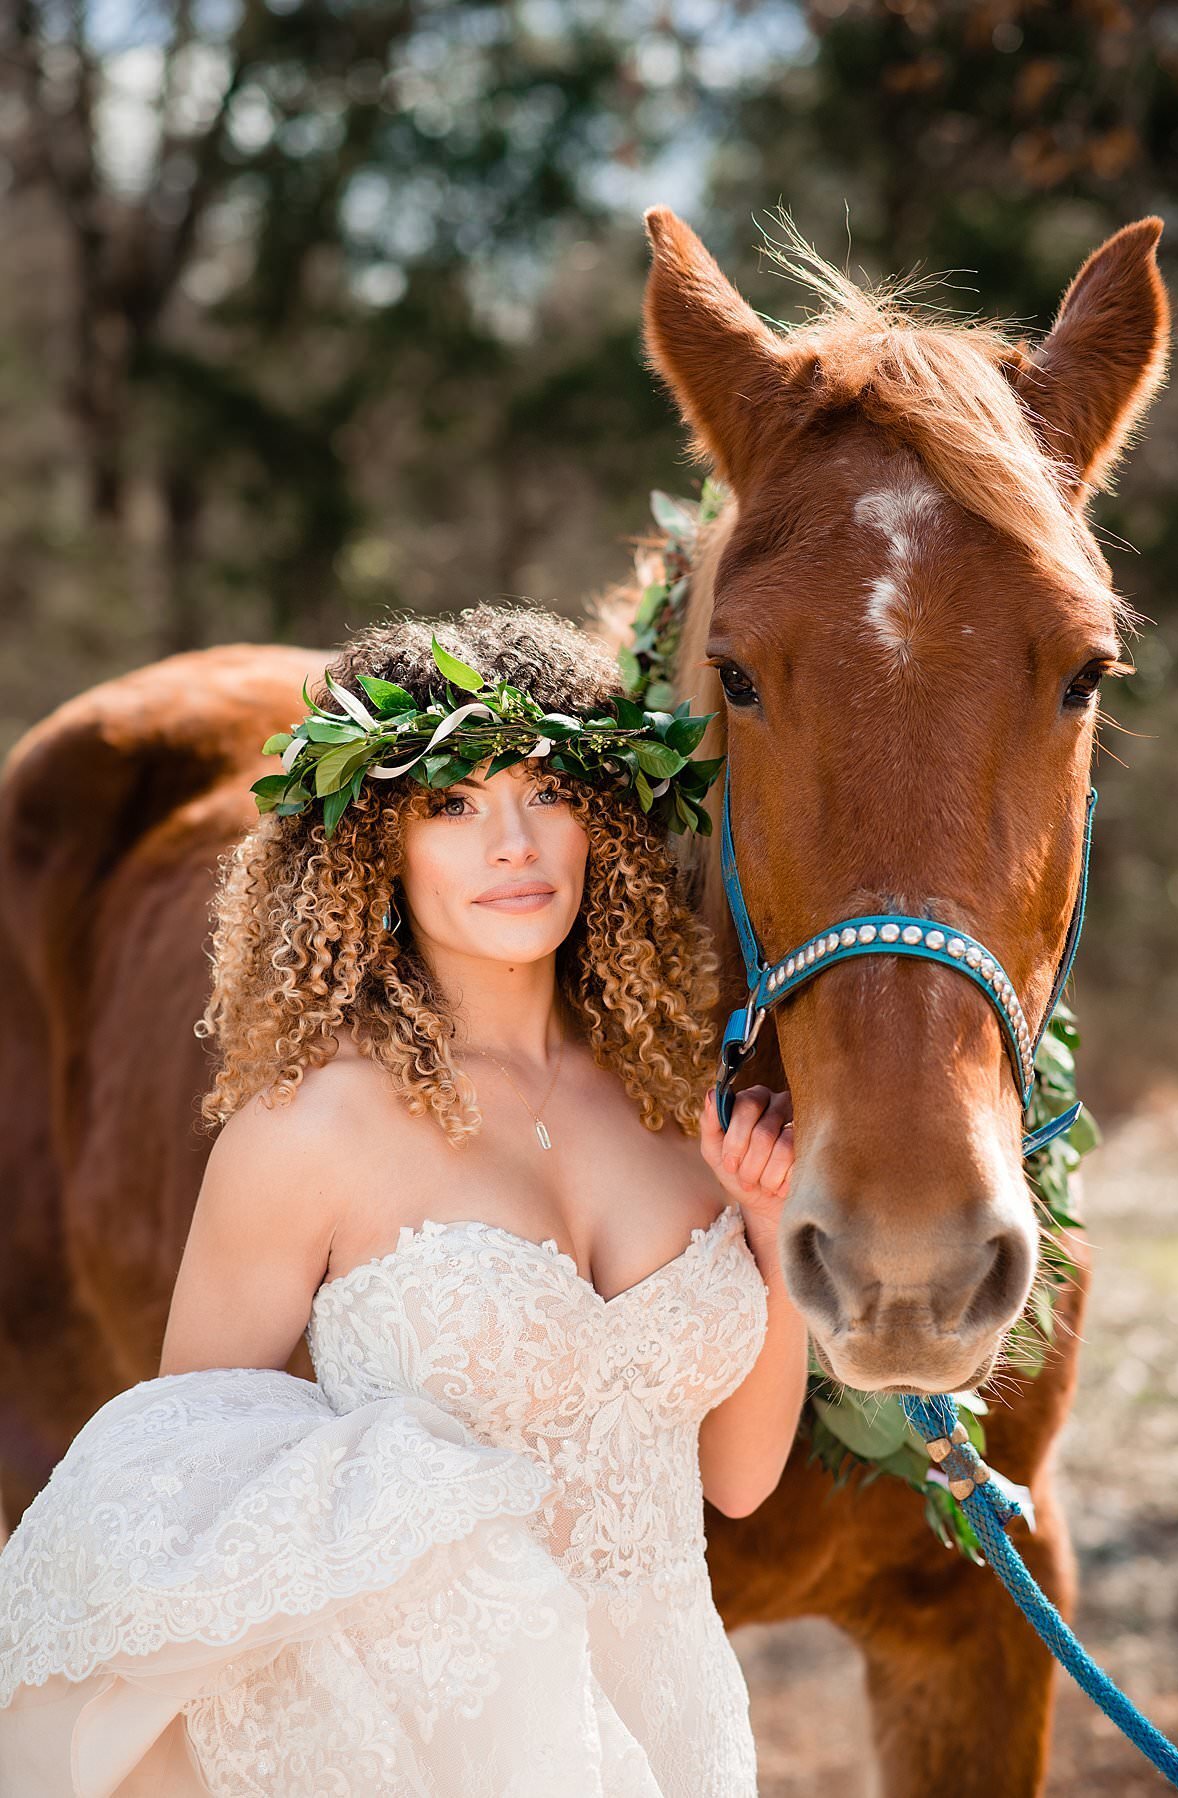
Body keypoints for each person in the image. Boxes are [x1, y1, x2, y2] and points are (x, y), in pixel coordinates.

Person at [0, 603, 809, 1796]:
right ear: (375, 845)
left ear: (604, 826)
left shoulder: (685, 1108)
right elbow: (170, 1498)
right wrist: (423, 1510)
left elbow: (737, 1479)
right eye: (452, 805)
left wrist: (773, 1237)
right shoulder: (307, 1132)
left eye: (546, 793)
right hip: (408, 1753)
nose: (513, 845)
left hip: (669, 1730)